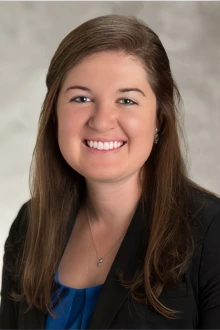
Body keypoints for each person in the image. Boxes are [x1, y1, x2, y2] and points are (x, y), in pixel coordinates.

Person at [0, 14, 220, 330]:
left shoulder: (212, 234)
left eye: (127, 99)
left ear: (159, 118)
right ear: (54, 114)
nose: (102, 121)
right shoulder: (30, 224)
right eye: (82, 98)